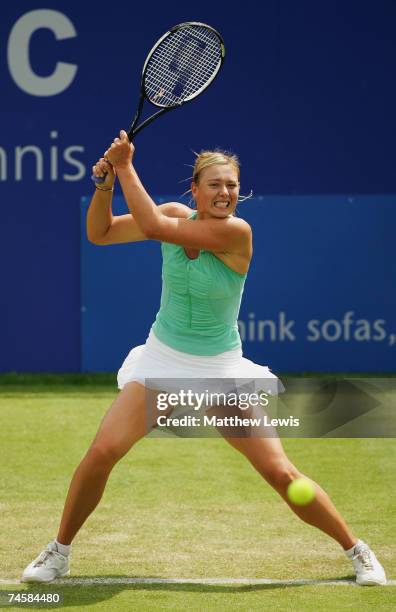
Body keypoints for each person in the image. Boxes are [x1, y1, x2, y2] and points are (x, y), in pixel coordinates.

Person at [22, 131, 386, 586]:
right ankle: (59, 552)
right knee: (102, 452)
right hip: (162, 361)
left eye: (232, 185)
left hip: (219, 372)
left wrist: (126, 164)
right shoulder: (172, 214)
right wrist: (104, 185)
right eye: (214, 184)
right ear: (193, 190)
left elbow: (154, 227)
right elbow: (100, 233)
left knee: (280, 472)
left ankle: (358, 550)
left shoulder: (237, 233)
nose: (225, 193)